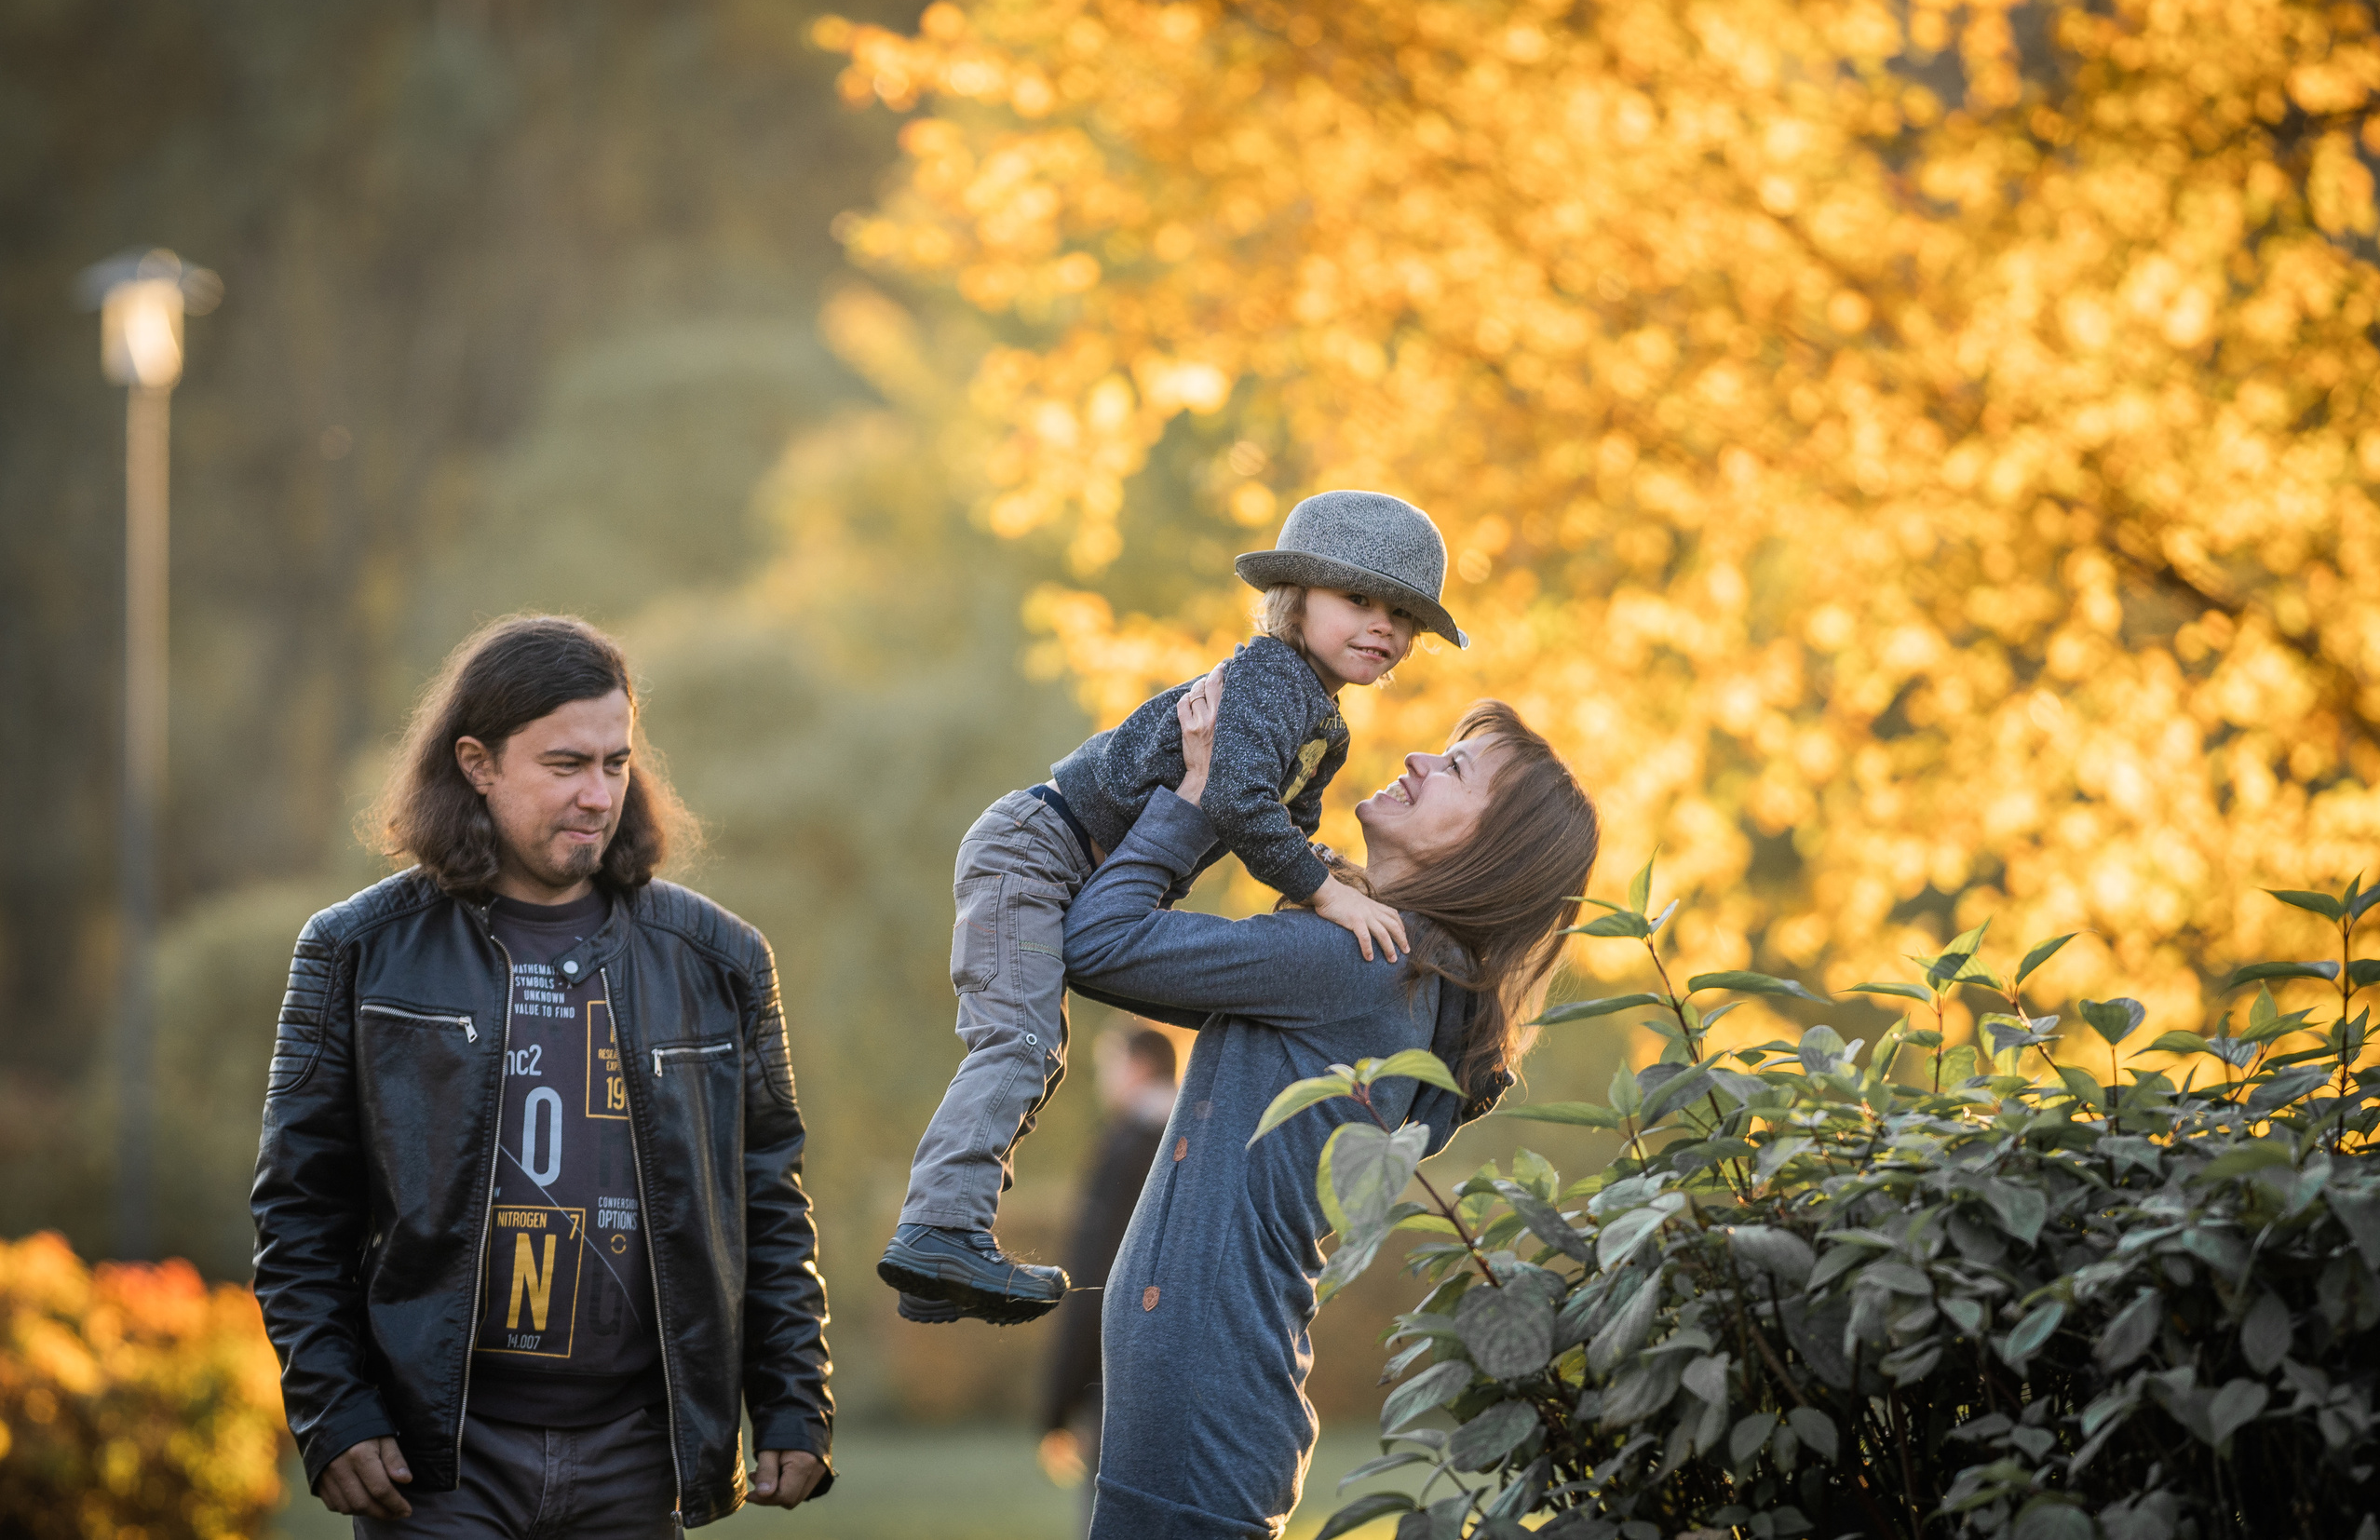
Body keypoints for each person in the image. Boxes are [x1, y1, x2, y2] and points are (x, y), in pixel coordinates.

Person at [250, 615, 833, 1535]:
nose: (598, 794)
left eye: (615, 762)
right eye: (566, 765)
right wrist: (333, 1411)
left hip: (636, 1456)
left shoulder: (718, 959)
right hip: (437, 1462)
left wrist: (795, 1398)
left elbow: (767, 1201)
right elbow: (298, 1211)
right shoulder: (356, 953)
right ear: (476, 763)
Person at [878, 490, 1471, 1326]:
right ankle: (941, 1230)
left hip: (1072, 866)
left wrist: (1326, 889)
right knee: (1016, 1037)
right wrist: (1324, 891)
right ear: (1296, 601)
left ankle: (933, 1265)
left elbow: (1289, 822)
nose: (1383, 625)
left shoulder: (1322, 722)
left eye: (1403, 613)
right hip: (1039, 847)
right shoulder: (1272, 677)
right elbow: (1235, 799)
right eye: (1359, 601)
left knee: (1035, 1050)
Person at [1062, 676, 1601, 1539]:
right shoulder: (1393, 974)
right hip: (1215, 1412)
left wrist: (1199, 800)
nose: (1420, 759)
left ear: (1488, 851)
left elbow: (1097, 943)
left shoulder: (1361, 965)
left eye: (1456, 769)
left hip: (1201, 1418)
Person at [1038, 1025, 1181, 1534]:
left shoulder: (1125, 1148)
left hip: (1119, 1381)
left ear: (1139, 1066)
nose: (1104, 1081)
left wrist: (1057, 1407)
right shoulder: (1207, 1139)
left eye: (1108, 1067)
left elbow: (1094, 1279)